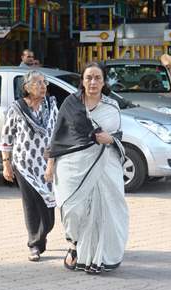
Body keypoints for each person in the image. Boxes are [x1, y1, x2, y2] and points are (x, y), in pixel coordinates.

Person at [49, 62, 129, 274]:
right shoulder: (70, 103)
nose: (93, 82)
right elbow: (58, 136)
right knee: (72, 210)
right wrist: (50, 164)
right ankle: (75, 244)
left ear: (104, 81)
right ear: (82, 81)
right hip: (71, 166)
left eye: (97, 78)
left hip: (104, 166)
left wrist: (109, 138)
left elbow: (118, 136)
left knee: (106, 211)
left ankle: (98, 256)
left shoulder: (112, 106)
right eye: (88, 78)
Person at [0, 70, 58, 261]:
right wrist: (6, 164)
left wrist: (54, 158)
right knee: (31, 205)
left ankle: (42, 235)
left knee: (49, 206)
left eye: (44, 82)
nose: (43, 86)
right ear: (26, 87)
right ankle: (34, 244)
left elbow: (57, 134)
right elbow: (7, 137)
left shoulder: (51, 105)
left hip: (47, 164)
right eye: (38, 83)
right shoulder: (17, 108)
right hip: (24, 164)